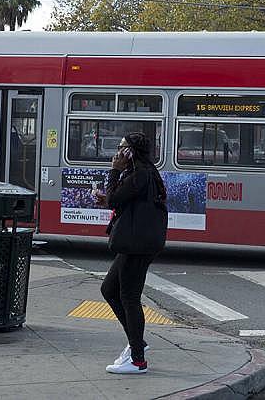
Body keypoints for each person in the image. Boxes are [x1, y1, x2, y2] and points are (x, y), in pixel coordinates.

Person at [95, 132, 167, 374]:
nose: (117, 152)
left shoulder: (140, 173)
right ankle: (137, 343)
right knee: (109, 290)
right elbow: (122, 200)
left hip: (136, 245)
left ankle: (138, 360)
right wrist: (107, 198)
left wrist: (114, 171)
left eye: (121, 147)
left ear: (131, 152)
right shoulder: (140, 173)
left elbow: (116, 198)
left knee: (129, 297)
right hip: (135, 242)